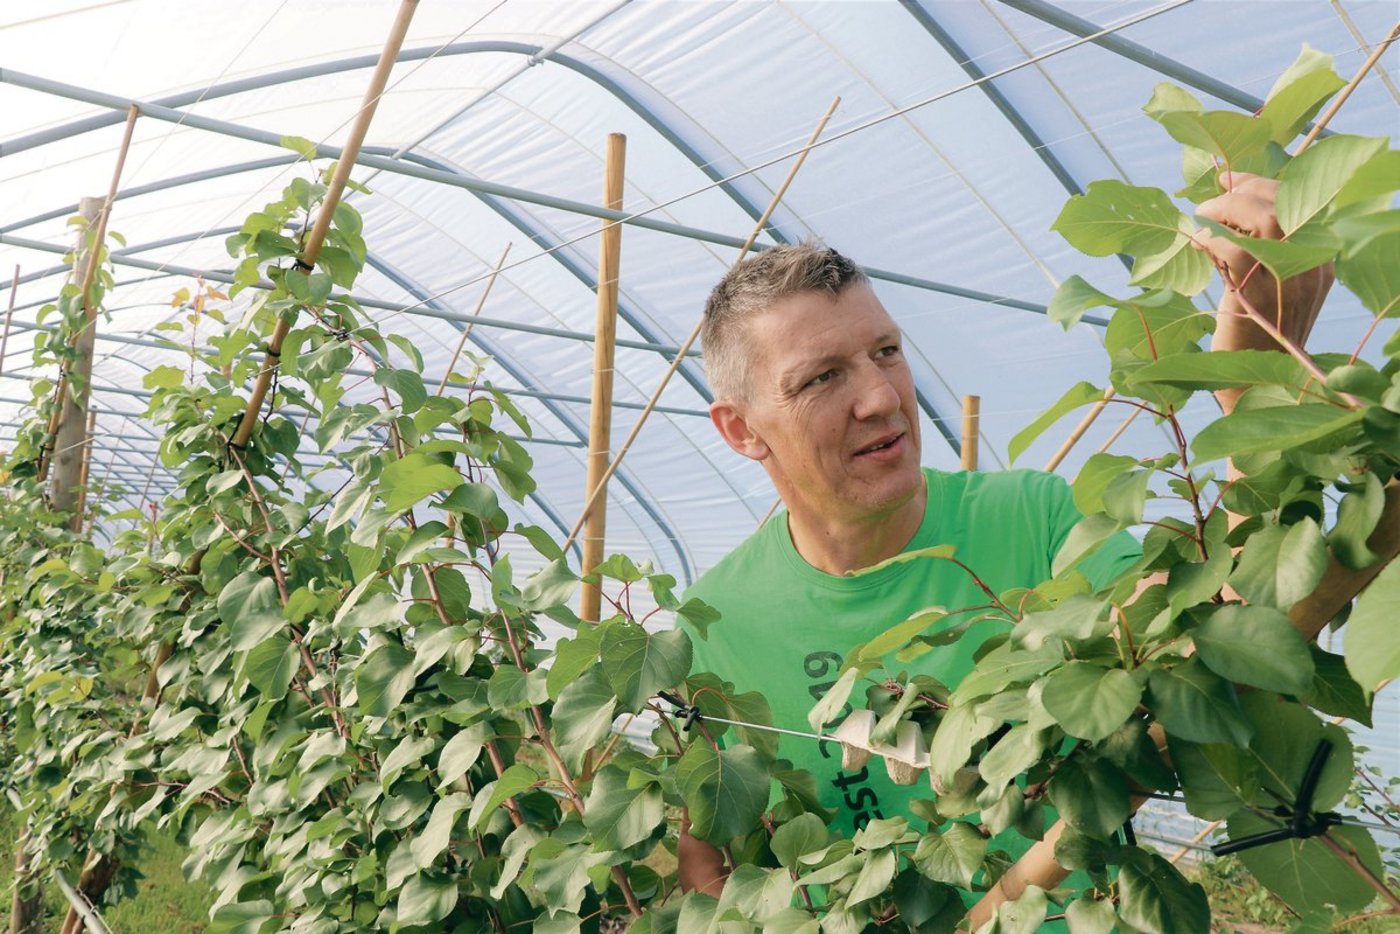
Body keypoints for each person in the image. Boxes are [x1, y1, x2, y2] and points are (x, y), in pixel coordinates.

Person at [674, 171, 1333, 896]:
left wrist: (1256, 401)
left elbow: (1210, 642)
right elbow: (710, 861)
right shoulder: (716, 626)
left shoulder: (1037, 520)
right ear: (742, 430)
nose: (882, 397)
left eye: (886, 351)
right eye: (822, 378)